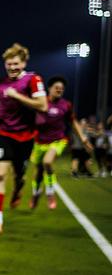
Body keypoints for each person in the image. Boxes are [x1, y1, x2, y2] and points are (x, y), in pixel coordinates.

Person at [0, 44, 47, 234]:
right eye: (9, 64)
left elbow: (43, 106)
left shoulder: (33, 80)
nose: (12, 67)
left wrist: (17, 96)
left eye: (16, 64)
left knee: (19, 176)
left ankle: (18, 188)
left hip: (26, 136)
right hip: (3, 133)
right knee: (0, 174)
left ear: (24, 63)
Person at [29, 77, 90, 209]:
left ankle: (50, 193)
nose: (59, 90)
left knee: (47, 162)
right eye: (57, 88)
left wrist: (83, 138)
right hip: (39, 142)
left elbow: (73, 122)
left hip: (58, 141)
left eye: (62, 89)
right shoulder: (41, 102)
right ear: (49, 89)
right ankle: (35, 193)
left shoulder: (66, 105)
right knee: (38, 172)